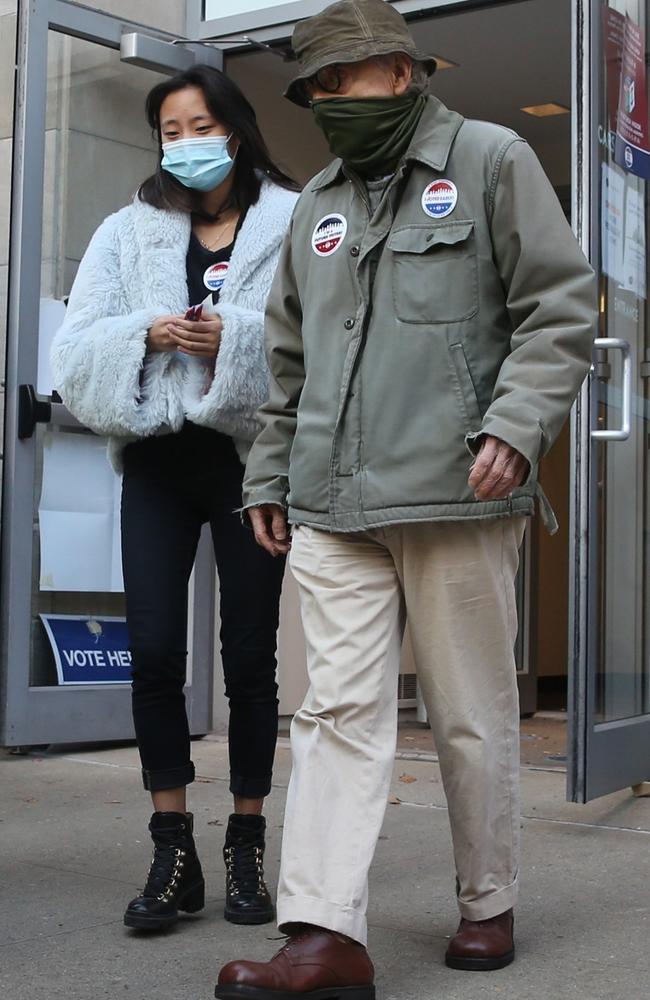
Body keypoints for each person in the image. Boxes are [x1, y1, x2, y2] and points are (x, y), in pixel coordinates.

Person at [214, 1, 597, 996]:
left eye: (338, 82)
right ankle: (323, 933)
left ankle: (486, 898)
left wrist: (514, 425)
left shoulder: (490, 159)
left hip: (453, 491)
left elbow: (555, 308)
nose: (326, 104)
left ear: (395, 68)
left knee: (468, 713)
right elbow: (288, 362)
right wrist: (268, 472)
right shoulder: (319, 205)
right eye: (314, 91)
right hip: (331, 502)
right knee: (334, 709)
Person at [51, 65, 299, 933]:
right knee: (153, 652)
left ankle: (246, 844)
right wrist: (149, 333)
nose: (186, 143)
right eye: (170, 130)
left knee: (250, 657)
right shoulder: (129, 231)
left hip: (250, 464)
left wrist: (234, 339)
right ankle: (171, 848)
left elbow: (316, 348)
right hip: (158, 458)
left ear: (234, 127)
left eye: (201, 125)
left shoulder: (294, 220)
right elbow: (77, 352)